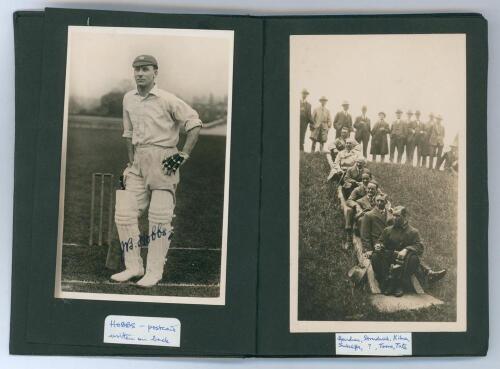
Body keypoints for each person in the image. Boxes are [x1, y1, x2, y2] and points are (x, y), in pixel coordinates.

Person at [111, 54, 202, 288]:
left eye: (145, 69)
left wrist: (183, 154)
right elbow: (128, 133)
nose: (140, 73)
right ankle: (134, 266)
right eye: (136, 69)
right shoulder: (128, 98)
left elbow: (194, 123)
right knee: (124, 212)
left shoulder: (167, 99)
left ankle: (154, 271)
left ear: (155, 72)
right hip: (138, 160)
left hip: (164, 158)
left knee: (159, 218)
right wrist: (131, 162)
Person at [370, 206, 446, 297]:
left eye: (397, 216)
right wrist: (378, 245)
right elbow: (381, 241)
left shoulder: (413, 232)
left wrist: (406, 249)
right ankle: (387, 282)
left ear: (404, 216)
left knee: (414, 259)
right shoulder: (388, 230)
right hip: (390, 257)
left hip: (405, 260)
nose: (394, 218)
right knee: (375, 256)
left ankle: (400, 284)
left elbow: (419, 246)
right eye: (393, 215)